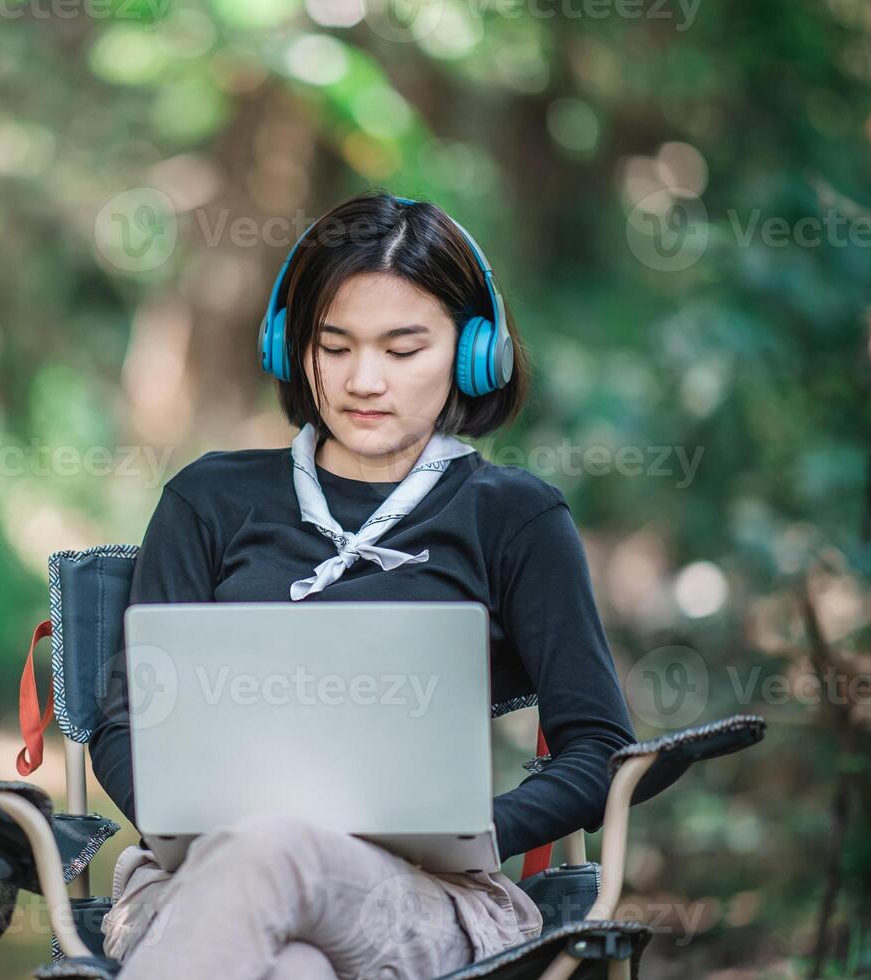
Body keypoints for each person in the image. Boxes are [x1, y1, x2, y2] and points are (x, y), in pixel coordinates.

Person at [86, 191, 636, 979]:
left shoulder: (515, 518)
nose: (363, 380)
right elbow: (126, 724)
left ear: (477, 350)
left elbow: (600, 748)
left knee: (278, 850)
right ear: (290, 348)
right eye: (333, 347)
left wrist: (470, 827)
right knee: (294, 965)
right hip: (199, 884)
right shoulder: (207, 500)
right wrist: (195, 827)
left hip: (424, 893)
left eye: (402, 349)